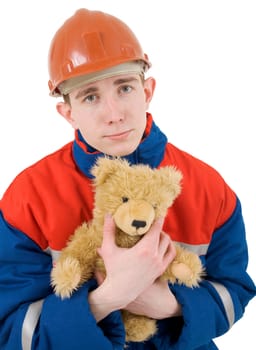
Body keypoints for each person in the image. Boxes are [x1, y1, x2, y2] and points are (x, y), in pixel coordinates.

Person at [0, 7, 255, 350]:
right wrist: (109, 297)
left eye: (124, 88)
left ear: (147, 90)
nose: (115, 114)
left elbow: (234, 291)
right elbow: (11, 329)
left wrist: (171, 305)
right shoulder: (28, 197)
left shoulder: (208, 187)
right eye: (90, 96)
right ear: (67, 112)